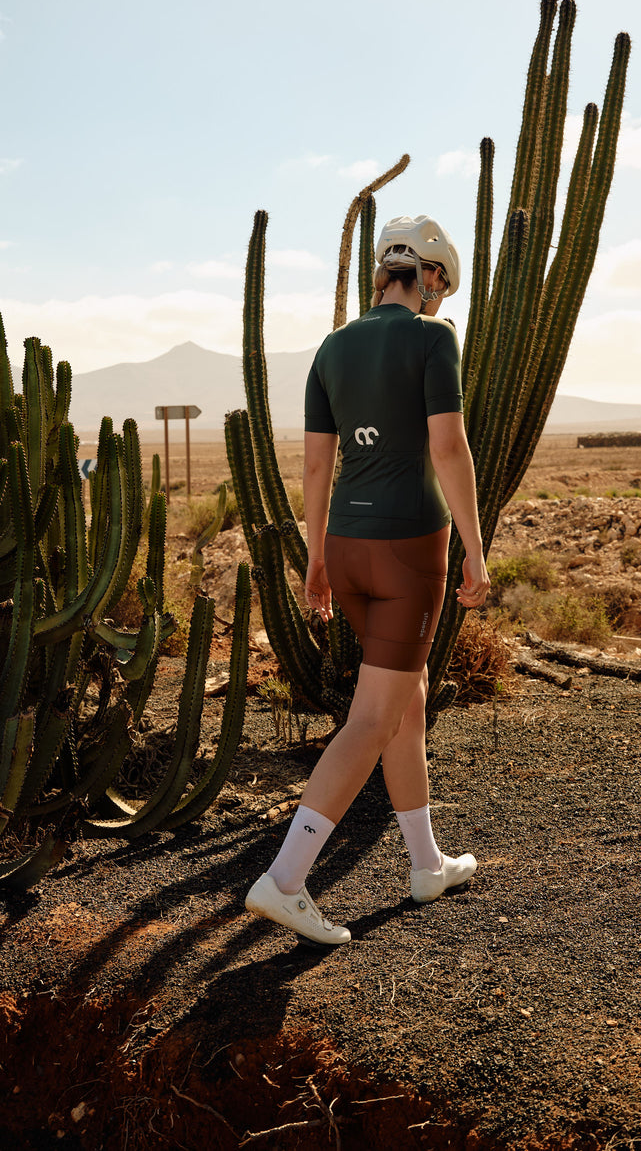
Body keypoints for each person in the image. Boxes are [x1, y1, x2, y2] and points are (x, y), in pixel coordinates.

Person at [245, 214, 491, 946]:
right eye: (443, 286)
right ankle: (285, 882)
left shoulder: (332, 347)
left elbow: (318, 465)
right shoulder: (431, 338)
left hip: (346, 550)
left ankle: (426, 864)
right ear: (433, 278)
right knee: (372, 718)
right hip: (408, 551)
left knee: (404, 699)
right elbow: (447, 446)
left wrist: (316, 556)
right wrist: (477, 551)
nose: (441, 300)